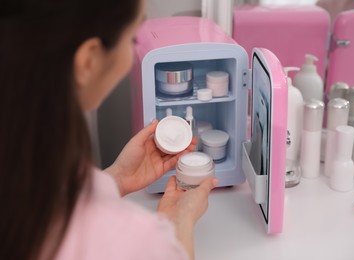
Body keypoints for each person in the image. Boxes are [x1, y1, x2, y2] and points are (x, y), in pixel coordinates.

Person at [0, 0, 218, 259]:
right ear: (89, 60)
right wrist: (178, 225)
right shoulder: (133, 242)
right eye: (132, 39)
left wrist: (118, 177)